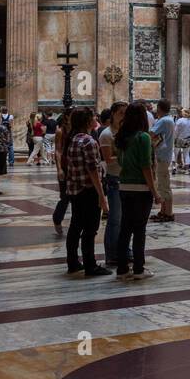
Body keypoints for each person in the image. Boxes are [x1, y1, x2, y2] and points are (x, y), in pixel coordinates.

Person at [62, 107, 110, 277]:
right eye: (92, 116)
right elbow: (93, 170)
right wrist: (101, 196)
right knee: (90, 229)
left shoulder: (73, 139)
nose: (95, 118)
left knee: (75, 226)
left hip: (75, 189)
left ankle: (73, 262)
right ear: (88, 121)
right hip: (88, 190)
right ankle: (91, 265)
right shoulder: (89, 141)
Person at [115, 101, 158, 279]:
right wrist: (154, 191)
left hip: (124, 186)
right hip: (140, 188)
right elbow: (146, 166)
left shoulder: (121, 136)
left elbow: (119, 161)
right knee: (140, 230)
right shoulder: (143, 137)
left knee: (125, 228)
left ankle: (122, 269)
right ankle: (139, 269)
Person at [97, 102, 127, 268]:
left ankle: (124, 250)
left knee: (126, 219)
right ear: (113, 115)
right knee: (115, 219)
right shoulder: (107, 135)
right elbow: (108, 159)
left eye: (126, 113)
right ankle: (111, 254)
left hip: (128, 178)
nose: (124, 116)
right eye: (121, 113)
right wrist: (128, 155)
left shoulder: (125, 132)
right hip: (114, 178)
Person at [150, 100, 176, 222]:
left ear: (159, 108)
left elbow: (151, 133)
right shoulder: (169, 119)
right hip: (164, 155)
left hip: (162, 156)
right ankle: (163, 210)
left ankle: (168, 213)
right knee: (162, 184)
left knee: (164, 185)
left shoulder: (164, 120)